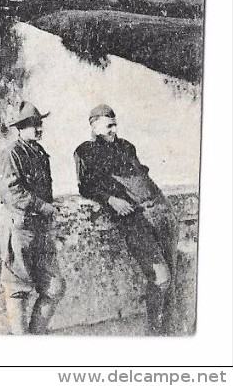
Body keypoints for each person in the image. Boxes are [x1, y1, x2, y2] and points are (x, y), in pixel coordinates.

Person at [74, 104, 179, 335]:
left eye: (115, 124)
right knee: (161, 279)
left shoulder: (126, 146)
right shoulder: (85, 151)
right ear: (93, 125)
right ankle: (154, 334)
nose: (114, 129)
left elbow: (142, 175)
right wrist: (110, 199)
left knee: (171, 283)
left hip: (161, 213)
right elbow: (85, 187)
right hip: (135, 221)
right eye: (108, 125)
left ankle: (169, 337)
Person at [0, 101, 65, 334]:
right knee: (18, 290)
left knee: (55, 287)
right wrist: (43, 206)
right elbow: (11, 192)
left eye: (39, 123)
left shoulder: (39, 153)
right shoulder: (10, 154)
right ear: (20, 128)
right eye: (32, 125)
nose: (38, 128)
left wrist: (46, 209)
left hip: (39, 230)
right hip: (18, 228)